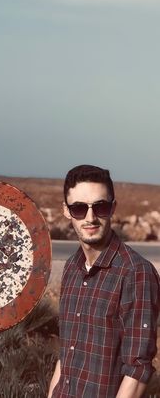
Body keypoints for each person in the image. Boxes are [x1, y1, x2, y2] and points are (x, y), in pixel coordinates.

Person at [48, 164, 160, 398]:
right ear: (66, 211)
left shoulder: (136, 273)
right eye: (78, 208)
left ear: (113, 208)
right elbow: (66, 354)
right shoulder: (71, 267)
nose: (90, 218)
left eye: (100, 206)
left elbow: (137, 370)